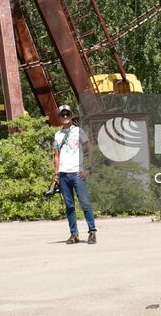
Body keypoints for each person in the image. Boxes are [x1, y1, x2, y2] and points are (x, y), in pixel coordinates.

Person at [51, 104, 96, 244]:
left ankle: (92, 232)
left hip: (77, 173)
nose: (65, 117)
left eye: (67, 114)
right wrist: (56, 175)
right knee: (69, 206)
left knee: (85, 203)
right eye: (62, 115)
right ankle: (74, 234)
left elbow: (90, 147)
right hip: (64, 175)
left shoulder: (78, 131)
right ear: (59, 117)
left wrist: (88, 168)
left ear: (71, 116)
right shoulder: (58, 135)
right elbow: (57, 156)